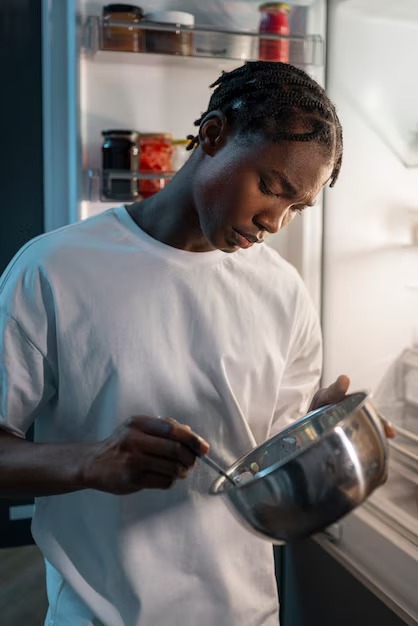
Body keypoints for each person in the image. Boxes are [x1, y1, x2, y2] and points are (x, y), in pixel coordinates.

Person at [0, 61, 393, 626]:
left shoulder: (283, 292)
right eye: (271, 187)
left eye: (296, 207)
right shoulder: (55, 268)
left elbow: (261, 465)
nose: (275, 222)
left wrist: (317, 439)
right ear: (213, 136)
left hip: (248, 615)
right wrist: (89, 462)